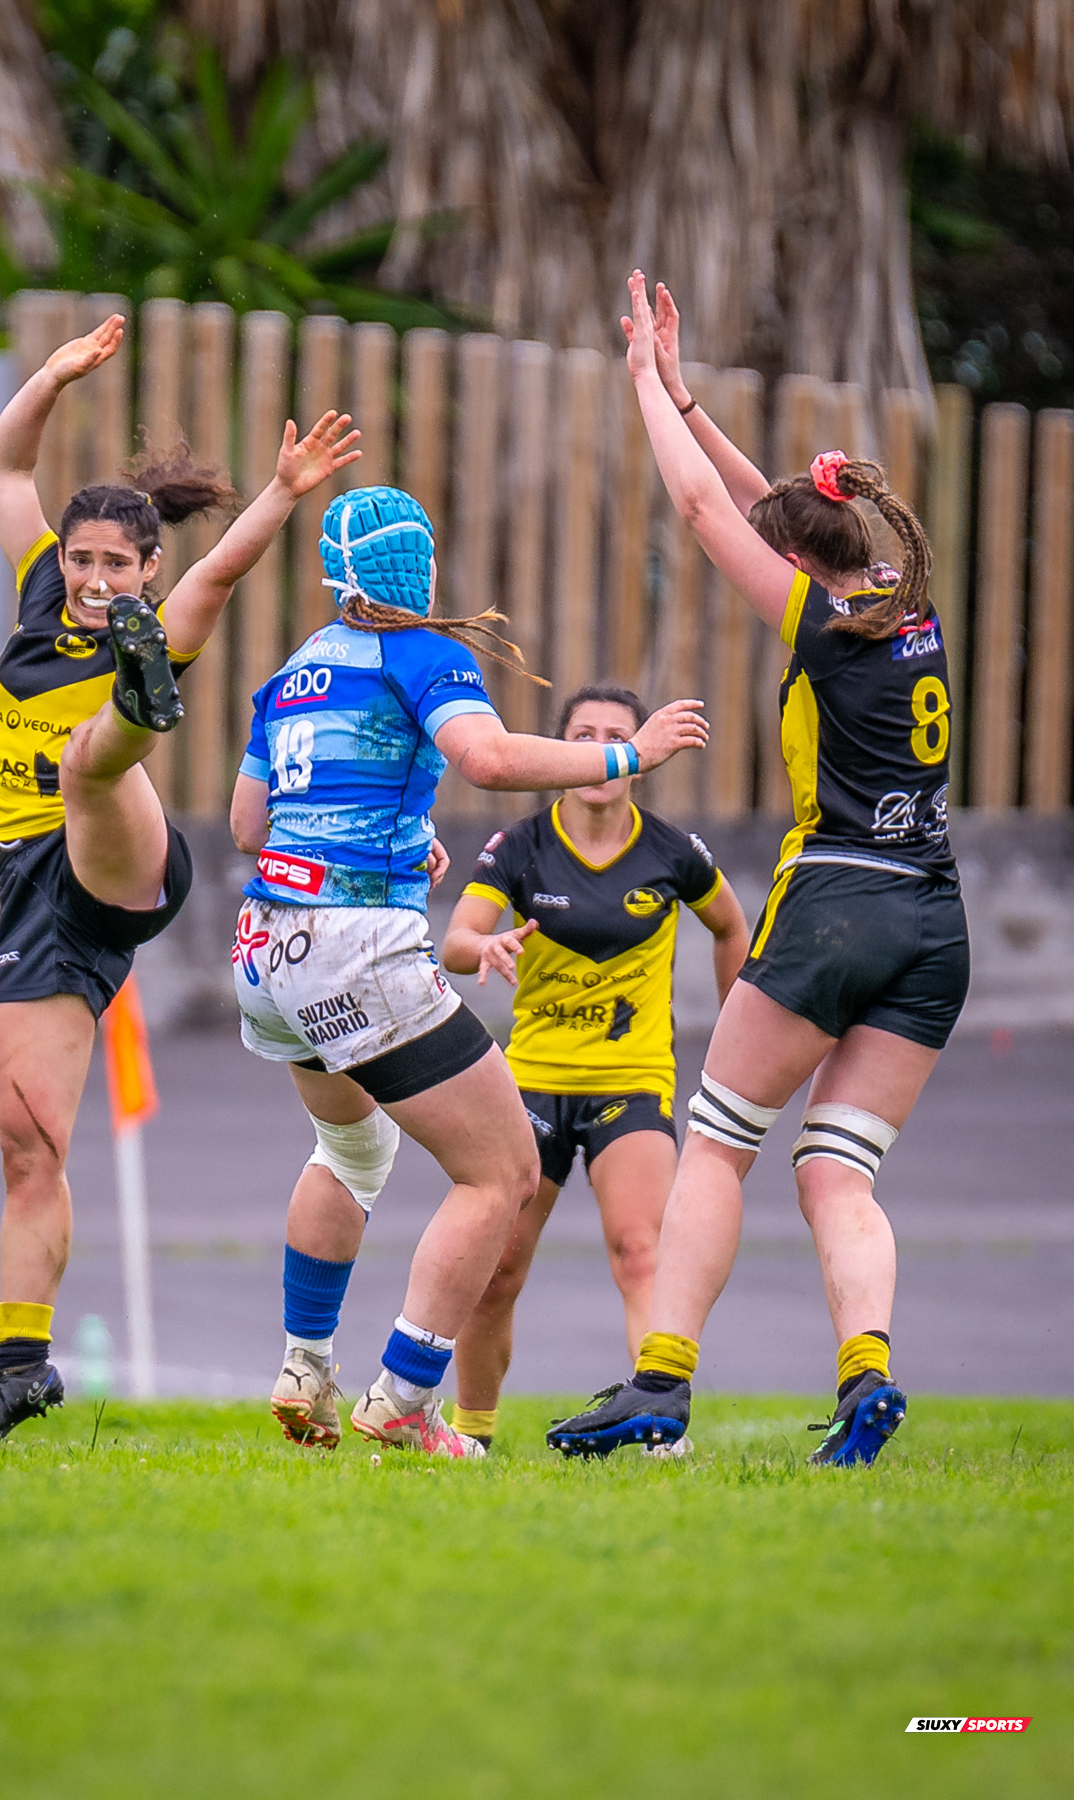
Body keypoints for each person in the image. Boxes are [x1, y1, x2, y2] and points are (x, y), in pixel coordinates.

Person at [549, 273, 969, 1466]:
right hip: (933, 924)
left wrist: (642, 387)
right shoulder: (900, 600)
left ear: (794, 560)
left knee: (720, 1142)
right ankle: (865, 1374)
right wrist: (689, 395)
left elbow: (705, 514)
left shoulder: (824, 634)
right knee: (836, 1172)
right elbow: (767, 513)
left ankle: (659, 1383)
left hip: (834, 901)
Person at [230, 485, 710, 1457]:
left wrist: (389, 845)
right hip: (350, 944)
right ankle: (404, 1397)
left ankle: (305, 1365)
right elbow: (485, 760)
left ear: (336, 573)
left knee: (354, 1154)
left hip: (264, 944)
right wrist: (628, 752)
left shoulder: (292, 673)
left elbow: (251, 826)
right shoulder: (425, 653)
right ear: (422, 569)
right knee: (501, 1172)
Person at [0, 312, 360, 1441]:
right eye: (80, 560)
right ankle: (20, 1366)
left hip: (126, 857)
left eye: (112, 564)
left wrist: (282, 492)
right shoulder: (41, 588)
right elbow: (4, 463)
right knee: (27, 1138)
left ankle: (140, 700)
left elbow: (224, 573)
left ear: (146, 569)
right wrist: (52, 372)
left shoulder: (165, 604)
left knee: (92, 763)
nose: (89, 574)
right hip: (31, 892)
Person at [440, 683, 748, 1449]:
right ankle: (473, 1437)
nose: (600, 750)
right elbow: (454, 941)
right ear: (561, 752)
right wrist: (486, 947)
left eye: (618, 734)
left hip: (631, 1082)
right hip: (529, 1084)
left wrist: (737, 1043)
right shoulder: (519, 847)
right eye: (584, 734)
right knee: (497, 1270)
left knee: (642, 1252)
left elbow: (730, 925)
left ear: (638, 756)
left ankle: (657, 1430)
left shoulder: (672, 852)